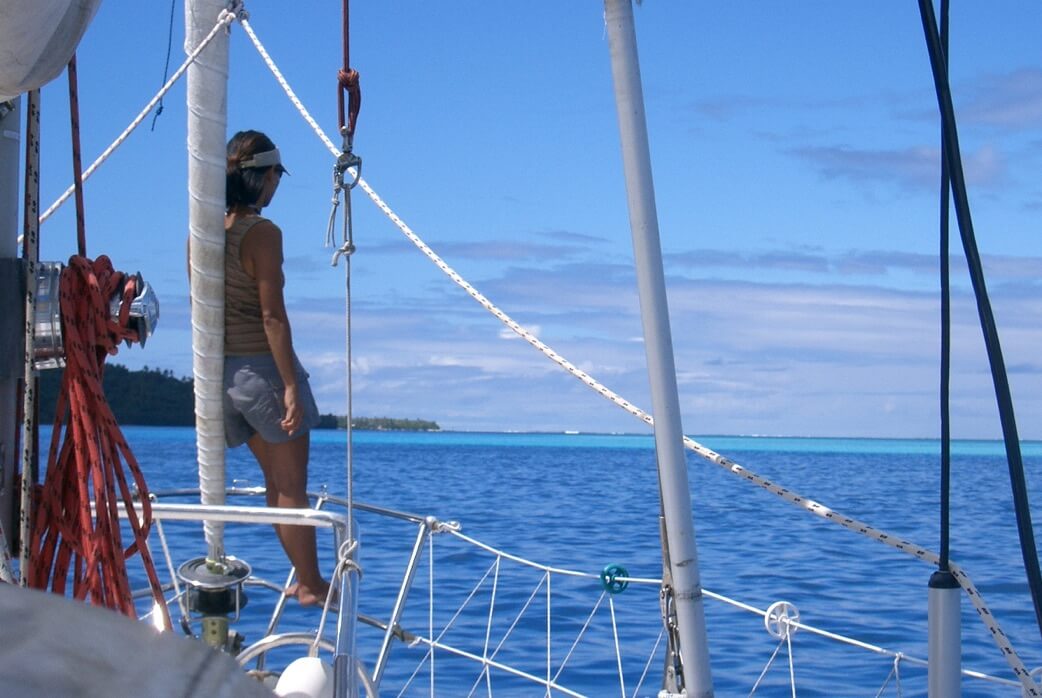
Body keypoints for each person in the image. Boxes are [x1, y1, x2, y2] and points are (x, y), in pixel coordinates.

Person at [222, 130, 329, 606]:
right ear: (263, 178)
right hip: (263, 372)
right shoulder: (262, 234)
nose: (276, 187)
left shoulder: (203, 231)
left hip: (223, 378)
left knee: (275, 485)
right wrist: (288, 384)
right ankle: (310, 583)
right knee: (291, 488)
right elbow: (271, 315)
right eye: (275, 178)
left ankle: (301, 576)